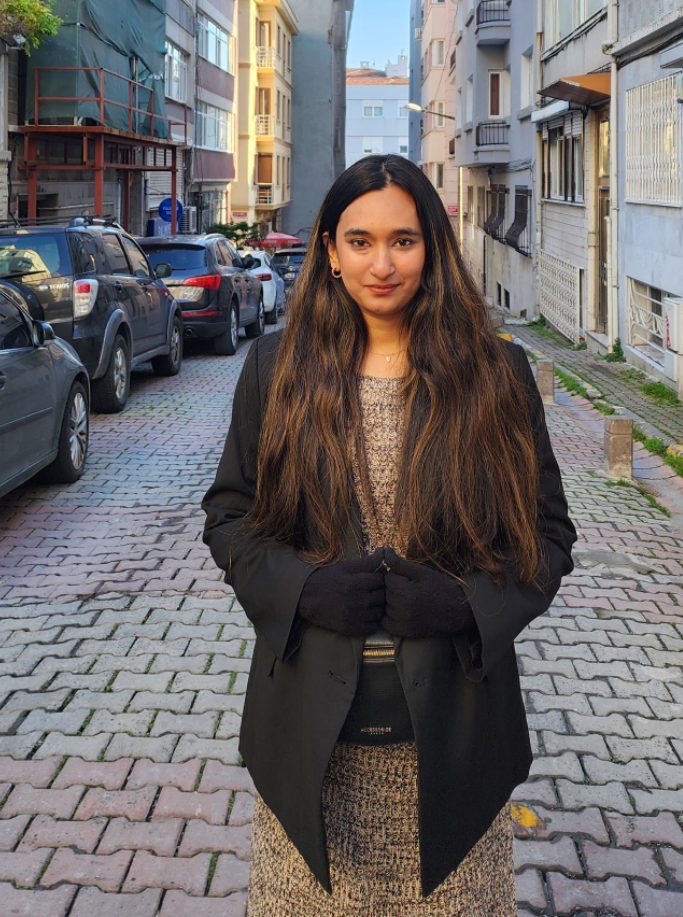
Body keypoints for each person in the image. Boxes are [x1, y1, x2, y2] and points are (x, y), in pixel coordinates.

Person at [202, 154, 576, 916]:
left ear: (432, 246)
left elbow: (548, 536)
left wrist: (466, 604)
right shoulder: (276, 370)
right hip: (309, 735)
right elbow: (229, 516)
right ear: (331, 252)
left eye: (403, 240)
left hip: (455, 734)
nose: (382, 264)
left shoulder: (498, 375)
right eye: (360, 241)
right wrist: (303, 589)